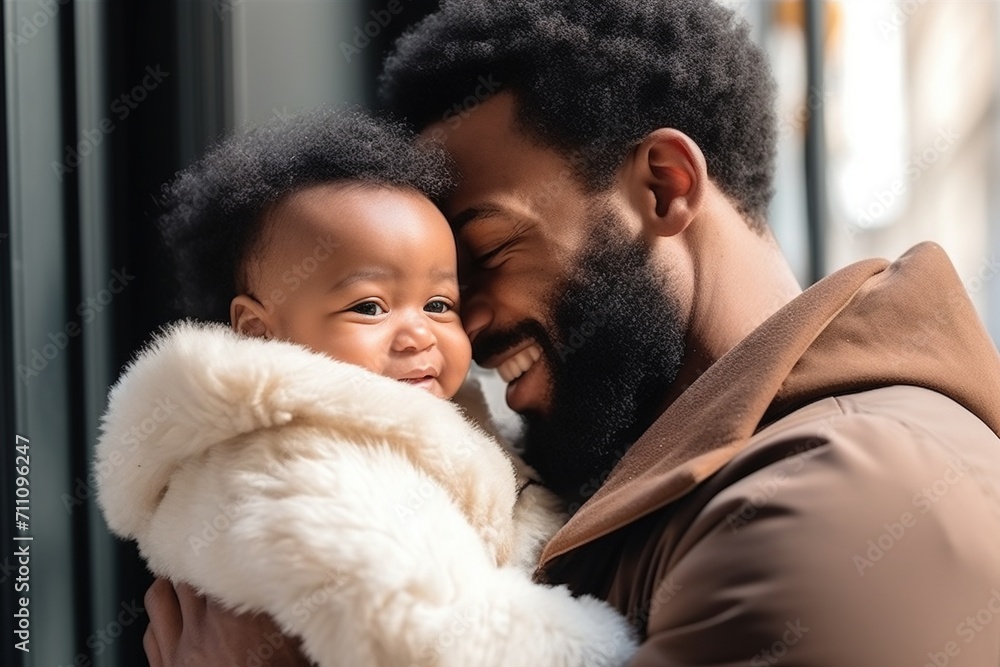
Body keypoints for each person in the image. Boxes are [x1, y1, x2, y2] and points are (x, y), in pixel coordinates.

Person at [144, 0, 1000, 664]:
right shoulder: (645, 478)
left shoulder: (840, 503)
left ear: (664, 187)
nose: (464, 329)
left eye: (488, 251)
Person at [99, 107, 637, 667]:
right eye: (369, 306)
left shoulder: (444, 427)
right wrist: (607, 651)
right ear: (260, 330)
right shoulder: (299, 458)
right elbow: (420, 624)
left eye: (438, 304)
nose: (418, 334)